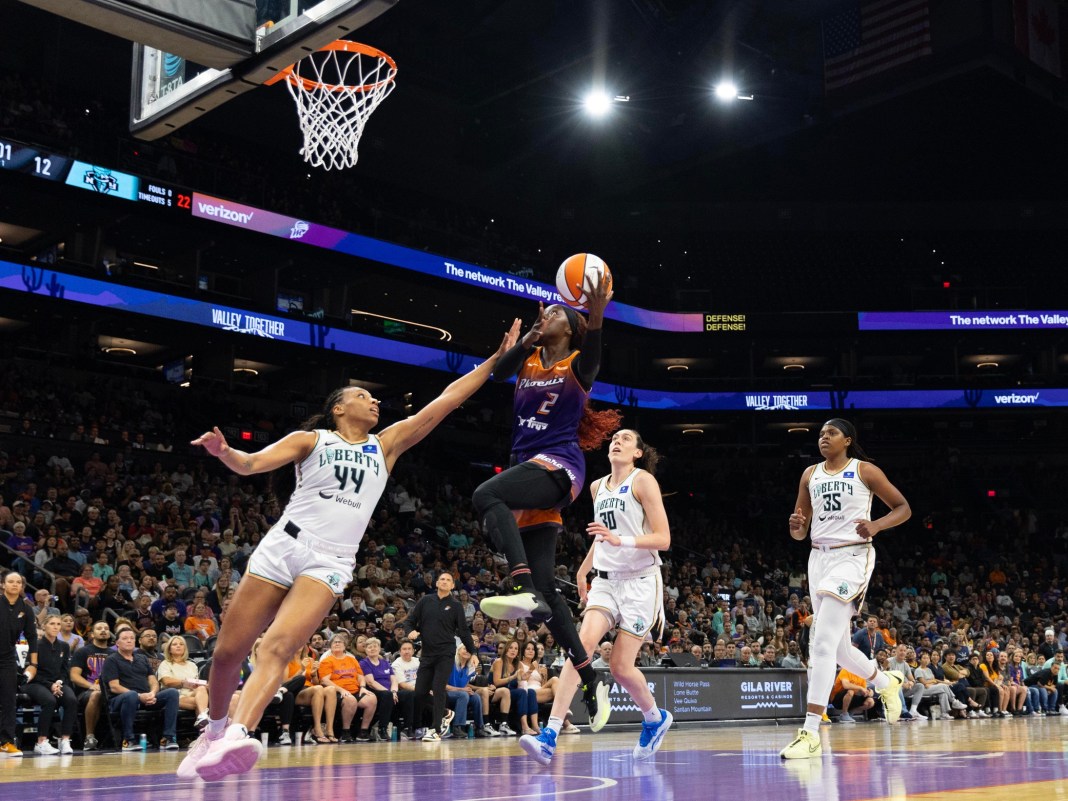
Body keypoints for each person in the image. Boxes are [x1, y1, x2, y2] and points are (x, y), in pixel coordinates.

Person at [177, 320, 519, 780]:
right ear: (339, 408)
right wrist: (223, 453)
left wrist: (497, 360)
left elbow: (445, 402)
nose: (374, 401)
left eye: (374, 398)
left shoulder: (387, 445)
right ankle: (214, 731)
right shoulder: (312, 440)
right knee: (226, 654)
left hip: (330, 559)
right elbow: (251, 463)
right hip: (284, 545)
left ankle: (239, 733)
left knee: (277, 647)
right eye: (362, 395)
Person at [474, 285, 619, 734]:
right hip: (529, 469)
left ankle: (520, 587)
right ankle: (592, 681)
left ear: (572, 329)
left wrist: (594, 317)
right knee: (549, 592)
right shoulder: (531, 361)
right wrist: (527, 338)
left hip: (558, 466)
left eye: (557, 312)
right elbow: (500, 372)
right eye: (549, 310)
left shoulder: (578, 365)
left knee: (486, 495)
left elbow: (593, 351)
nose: (549, 313)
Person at [521, 429, 671, 766]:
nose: (616, 441)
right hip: (606, 582)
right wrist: (582, 569)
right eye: (614, 438)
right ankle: (550, 735)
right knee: (581, 648)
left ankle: (654, 718)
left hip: (640, 583)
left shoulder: (642, 480)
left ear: (637, 452)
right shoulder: (596, 486)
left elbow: (663, 539)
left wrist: (623, 542)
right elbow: (602, 534)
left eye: (626, 439)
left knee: (620, 667)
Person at [779, 418, 911, 760]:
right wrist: (796, 527)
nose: (824, 438)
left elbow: (903, 508)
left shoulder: (864, 470)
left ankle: (809, 732)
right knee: (837, 650)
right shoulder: (810, 474)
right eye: (821, 434)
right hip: (817, 558)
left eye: (831, 433)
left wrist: (876, 525)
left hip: (852, 556)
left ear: (847, 440)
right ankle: (886, 683)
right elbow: (800, 530)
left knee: (819, 643)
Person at [406, 572, 477, 742]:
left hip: (445, 653)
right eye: (442, 579)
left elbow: (464, 631)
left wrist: (473, 652)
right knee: (419, 693)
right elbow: (409, 621)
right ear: (436, 583)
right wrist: (411, 631)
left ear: (453, 586)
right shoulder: (425, 601)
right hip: (427, 654)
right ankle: (445, 713)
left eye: (448, 580)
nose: (444, 582)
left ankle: (435, 729)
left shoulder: (456, 606)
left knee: (438, 688)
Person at [101, 628, 181, 750]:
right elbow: (114, 687)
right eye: (125, 638)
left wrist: (152, 693)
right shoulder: (111, 660)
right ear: (117, 643)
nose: (129, 641)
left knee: (172, 693)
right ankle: (128, 740)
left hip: (146, 698)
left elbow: (153, 681)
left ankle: (168, 737)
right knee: (132, 695)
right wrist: (139, 696)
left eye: (132, 638)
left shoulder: (142, 658)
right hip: (121, 700)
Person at [23, 614, 79, 754]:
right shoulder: (36, 645)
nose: (55, 627)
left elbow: (64, 670)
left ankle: (65, 740)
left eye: (58, 624)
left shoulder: (64, 646)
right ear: (44, 626)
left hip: (56, 683)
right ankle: (41, 742)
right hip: (35, 682)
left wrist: (59, 683)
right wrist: (50, 685)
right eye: (52, 624)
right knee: (49, 700)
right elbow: (33, 671)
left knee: (71, 699)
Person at [1, 571, 37, 757]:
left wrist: (33, 664)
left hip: (7, 659)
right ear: (3, 584)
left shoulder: (26, 608)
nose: (15, 585)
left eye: (18, 582)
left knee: (9, 700)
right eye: (10, 581)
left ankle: (6, 742)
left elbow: (32, 637)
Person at [318, 633, 377, 742]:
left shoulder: (352, 660)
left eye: (339, 642)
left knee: (371, 698)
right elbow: (324, 680)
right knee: (351, 700)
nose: (337, 644)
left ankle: (363, 732)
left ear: (345, 646)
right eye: (334, 642)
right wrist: (341, 690)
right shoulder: (327, 661)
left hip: (355, 689)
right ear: (330, 646)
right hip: (337, 691)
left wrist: (363, 687)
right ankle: (345, 732)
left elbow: (360, 676)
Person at [70, 619, 112, 750]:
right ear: (92, 634)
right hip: (86, 692)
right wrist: (90, 685)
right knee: (96, 694)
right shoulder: (83, 652)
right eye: (99, 628)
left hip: (110, 692)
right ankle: (89, 737)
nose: (103, 630)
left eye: (106, 628)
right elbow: (74, 676)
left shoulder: (114, 654)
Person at [157, 635, 210, 729]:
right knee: (202, 703)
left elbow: (197, 683)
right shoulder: (165, 664)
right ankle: (203, 731)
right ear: (169, 649)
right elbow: (166, 681)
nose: (178, 646)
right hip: (176, 696)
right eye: (175, 644)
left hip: (192, 693)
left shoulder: (192, 665)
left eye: (181, 644)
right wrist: (185, 682)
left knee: (202, 689)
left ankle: (202, 717)